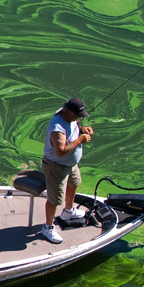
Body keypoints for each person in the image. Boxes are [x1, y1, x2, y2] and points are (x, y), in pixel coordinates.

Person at [40, 97, 92, 244]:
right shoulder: (57, 128)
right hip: (57, 166)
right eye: (78, 115)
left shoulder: (68, 117)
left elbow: (74, 126)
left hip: (70, 165)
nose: (79, 117)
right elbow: (61, 151)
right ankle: (47, 228)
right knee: (54, 199)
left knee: (74, 184)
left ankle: (68, 212)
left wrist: (82, 129)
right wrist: (80, 140)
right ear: (68, 112)